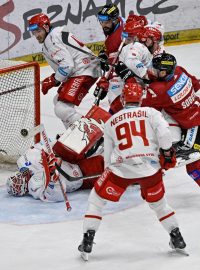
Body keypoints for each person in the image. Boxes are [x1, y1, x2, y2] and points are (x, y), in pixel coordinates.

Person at [78, 82, 186, 261]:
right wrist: (167, 153)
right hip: (150, 169)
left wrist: (107, 175)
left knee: (96, 201)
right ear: (141, 98)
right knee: (159, 204)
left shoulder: (111, 121)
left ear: (123, 98)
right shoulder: (152, 113)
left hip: (121, 171)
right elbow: (165, 135)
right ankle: (177, 237)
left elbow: (107, 155)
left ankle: (88, 240)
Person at [28, 13, 101, 129]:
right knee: (57, 101)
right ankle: (73, 133)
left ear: (46, 27)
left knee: (61, 108)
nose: (36, 35)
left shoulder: (51, 41)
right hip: (84, 68)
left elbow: (67, 66)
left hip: (84, 70)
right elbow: (66, 63)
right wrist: (55, 78)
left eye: (38, 31)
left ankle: (89, 132)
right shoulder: (55, 34)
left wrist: (54, 79)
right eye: (34, 32)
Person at [142, 52, 200, 185]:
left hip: (193, 125)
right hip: (195, 110)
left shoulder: (159, 90)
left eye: (157, 70)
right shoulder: (179, 70)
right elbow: (196, 84)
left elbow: (138, 104)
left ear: (165, 72)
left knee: (193, 167)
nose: (153, 71)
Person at [6, 140, 104, 202]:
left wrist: (50, 151)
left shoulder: (23, 161)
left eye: (16, 177)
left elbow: (40, 146)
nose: (20, 177)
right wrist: (53, 177)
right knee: (111, 165)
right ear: (23, 190)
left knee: (85, 135)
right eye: (18, 182)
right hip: (80, 173)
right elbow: (59, 195)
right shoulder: (35, 189)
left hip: (68, 155)